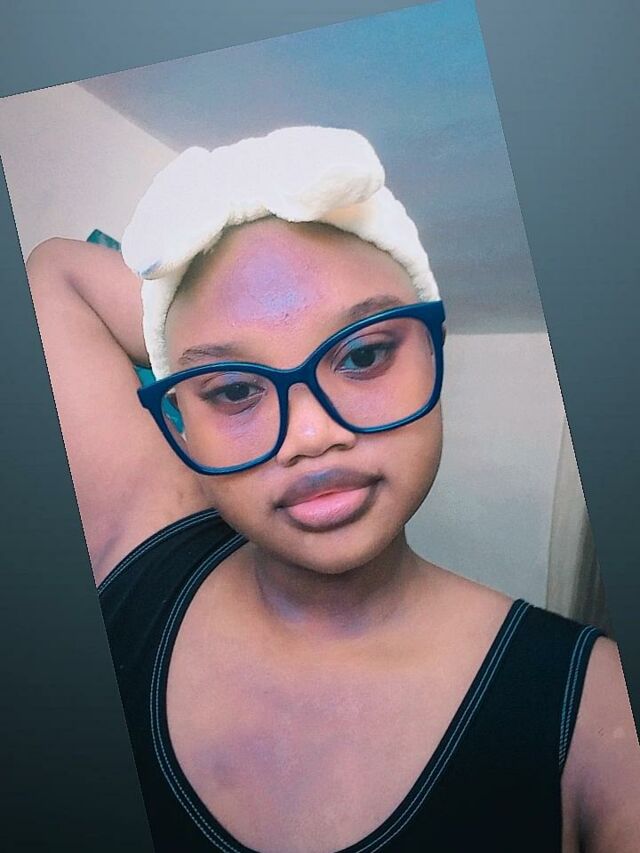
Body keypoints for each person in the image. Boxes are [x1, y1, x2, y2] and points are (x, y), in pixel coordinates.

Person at [26, 127, 640, 853]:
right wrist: (180, 340)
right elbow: (53, 270)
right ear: (180, 417)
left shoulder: (595, 706)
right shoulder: (144, 545)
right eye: (233, 390)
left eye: (363, 354)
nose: (311, 435)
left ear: (432, 348)